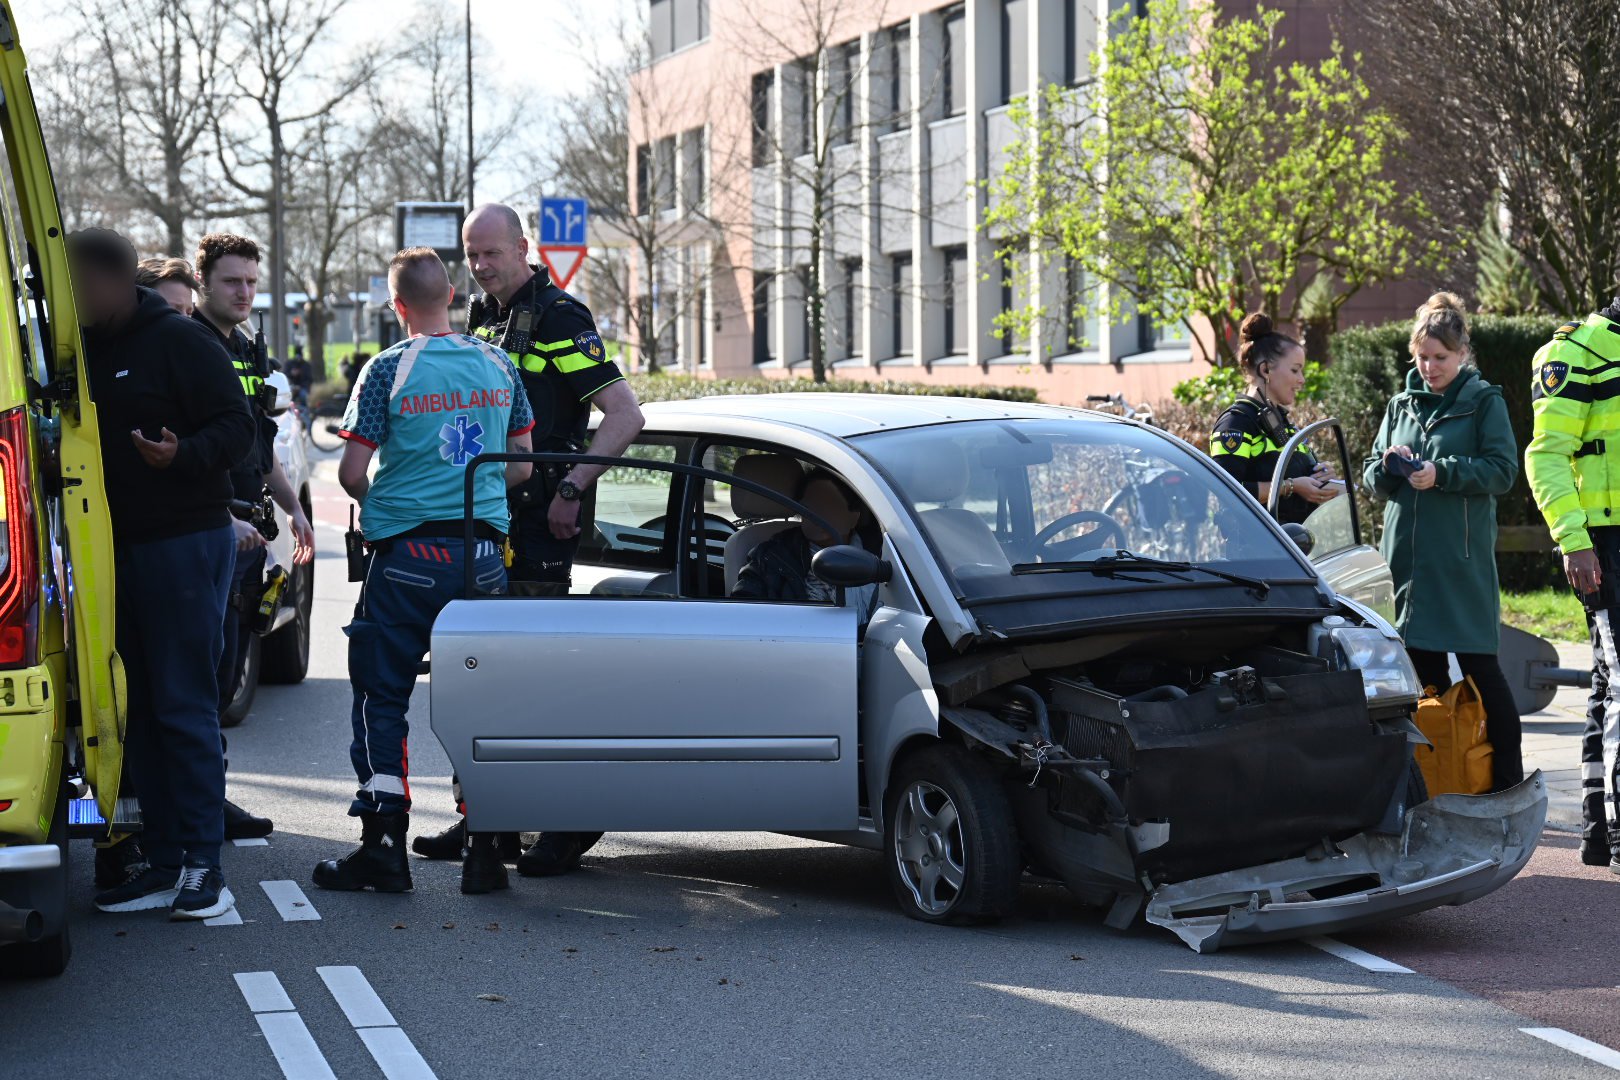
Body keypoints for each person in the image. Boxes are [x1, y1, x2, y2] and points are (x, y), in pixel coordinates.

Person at [409, 203, 645, 879]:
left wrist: (571, 489)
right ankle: (488, 819)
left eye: (492, 254)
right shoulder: (486, 318)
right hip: (490, 519)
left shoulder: (561, 317)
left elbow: (625, 416)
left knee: (537, 682)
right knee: (484, 676)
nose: (481, 267)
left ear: (522, 248)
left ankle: (568, 821)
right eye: (471, 256)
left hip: (541, 522)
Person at [312, 247, 535, 897]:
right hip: (485, 560)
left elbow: (352, 474)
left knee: (382, 698)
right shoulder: (498, 362)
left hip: (407, 561)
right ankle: (487, 850)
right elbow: (521, 463)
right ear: (456, 295)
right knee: (485, 705)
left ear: (396, 304)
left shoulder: (388, 370)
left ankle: (384, 847)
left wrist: (397, 489)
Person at [69, 229, 255, 920]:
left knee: (183, 706)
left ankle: (206, 866)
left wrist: (181, 455)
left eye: (84, 287)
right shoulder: (83, 347)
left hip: (183, 544)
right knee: (138, 707)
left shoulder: (179, 340)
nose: (77, 300)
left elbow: (239, 430)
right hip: (114, 551)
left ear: (120, 283)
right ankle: (164, 861)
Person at [1366, 293, 1522, 793]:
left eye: (1440, 357)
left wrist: (1442, 474)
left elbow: (1503, 471)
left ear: (1462, 355)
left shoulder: (1484, 401)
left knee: (1481, 671)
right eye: (1422, 357)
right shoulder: (1399, 404)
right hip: (1407, 565)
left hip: (1461, 562)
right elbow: (1372, 477)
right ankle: (1434, 782)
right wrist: (1389, 464)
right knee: (1423, 680)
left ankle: (1506, 783)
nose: (1429, 367)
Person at [193, 233, 314, 842]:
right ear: (203, 283)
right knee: (198, 678)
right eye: (231, 282)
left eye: (250, 282)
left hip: (245, 536)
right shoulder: (189, 346)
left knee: (223, 674)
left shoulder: (244, 348)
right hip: (209, 531)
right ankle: (197, 807)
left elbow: (258, 446)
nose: (243, 293)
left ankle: (214, 800)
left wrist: (295, 509)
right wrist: (221, 515)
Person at [1526, 292, 1620, 871]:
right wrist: (1574, 539)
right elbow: (1547, 455)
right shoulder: (1575, 353)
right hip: (1605, 543)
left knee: (1610, 685)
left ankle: (1595, 825)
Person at [1209, 314, 1341, 524]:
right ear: (1265, 369)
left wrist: (1322, 476)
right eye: (1295, 370)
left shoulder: (1282, 421)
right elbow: (1226, 492)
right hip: (1256, 552)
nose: (1302, 380)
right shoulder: (1236, 423)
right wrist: (1291, 486)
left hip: (1296, 547)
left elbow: (1297, 475)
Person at [732, 468, 879, 628]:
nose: (818, 514)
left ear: (854, 516)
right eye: (810, 507)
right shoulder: (771, 556)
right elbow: (742, 617)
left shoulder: (885, 556)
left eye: (829, 504)